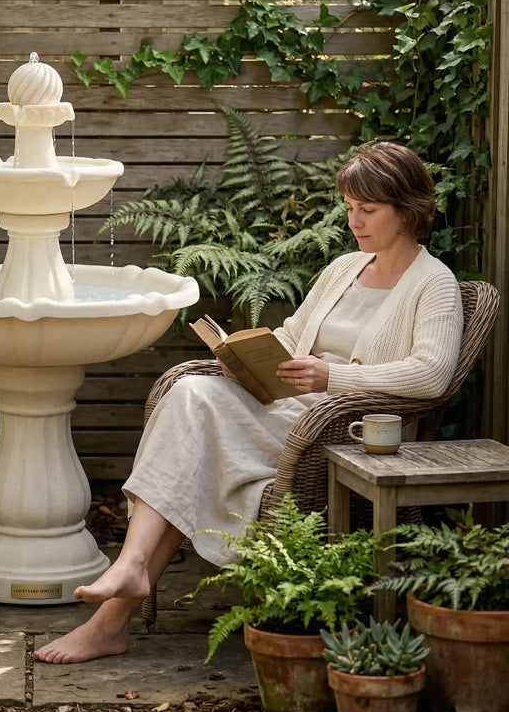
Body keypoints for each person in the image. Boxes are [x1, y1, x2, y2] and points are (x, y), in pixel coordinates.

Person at [33, 141, 463, 665]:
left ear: (408, 209)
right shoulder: (345, 268)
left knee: (192, 413)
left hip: (342, 427)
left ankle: (119, 595)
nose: (354, 221)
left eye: (368, 210)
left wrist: (332, 376)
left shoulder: (433, 283)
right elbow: (292, 334)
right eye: (349, 208)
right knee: (190, 391)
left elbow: (432, 374)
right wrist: (244, 357)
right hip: (289, 407)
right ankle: (122, 594)